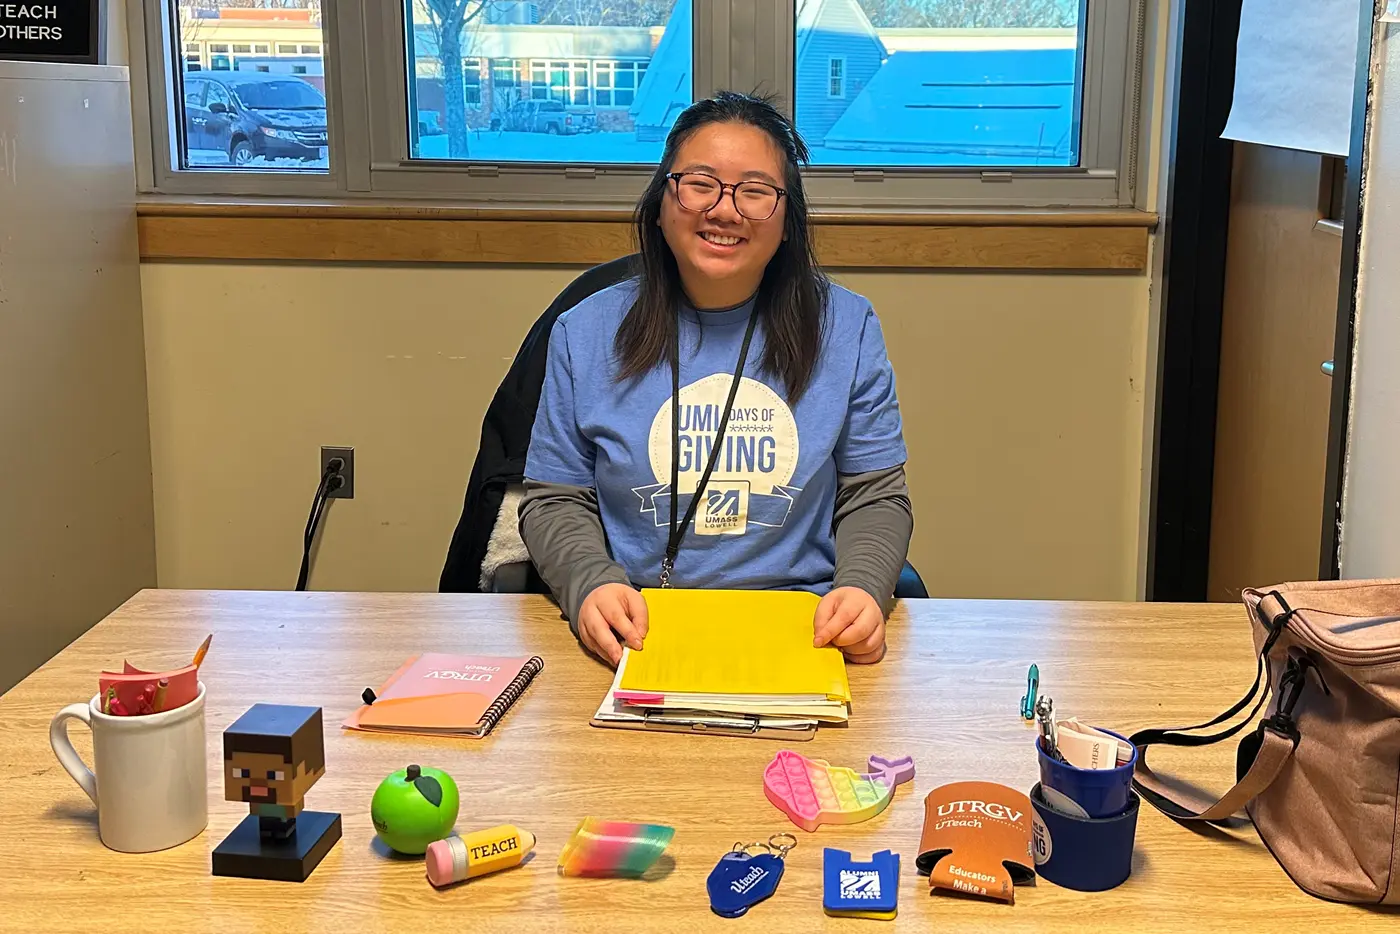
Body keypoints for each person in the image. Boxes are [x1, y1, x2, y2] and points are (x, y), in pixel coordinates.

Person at [519, 91, 912, 668]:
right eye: (700, 183)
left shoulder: (847, 327)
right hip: (638, 628)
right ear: (661, 203)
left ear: (787, 221)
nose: (724, 211)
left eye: (754, 191)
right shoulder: (584, 330)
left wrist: (861, 589)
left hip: (803, 628)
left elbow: (875, 495)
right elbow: (555, 498)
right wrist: (590, 582)